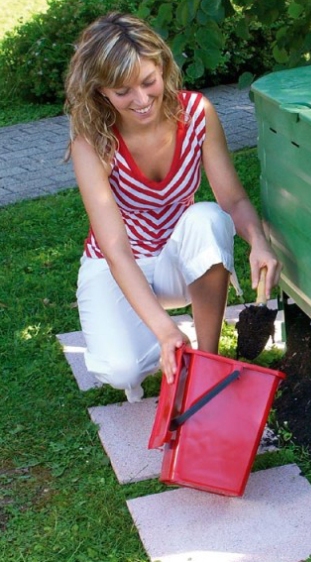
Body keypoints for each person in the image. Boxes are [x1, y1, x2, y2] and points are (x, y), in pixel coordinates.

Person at [64, 12, 281, 402]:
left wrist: (260, 243)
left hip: (177, 259)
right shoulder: (91, 142)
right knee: (121, 368)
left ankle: (203, 366)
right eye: (122, 91)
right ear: (100, 91)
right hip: (117, 265)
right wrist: (165, 330)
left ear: (163, 66)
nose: (142, 100)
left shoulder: (197, 113)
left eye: (149, 82)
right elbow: (115, 249)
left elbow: (232, 199)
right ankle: (157, 335)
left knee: (209, 217)